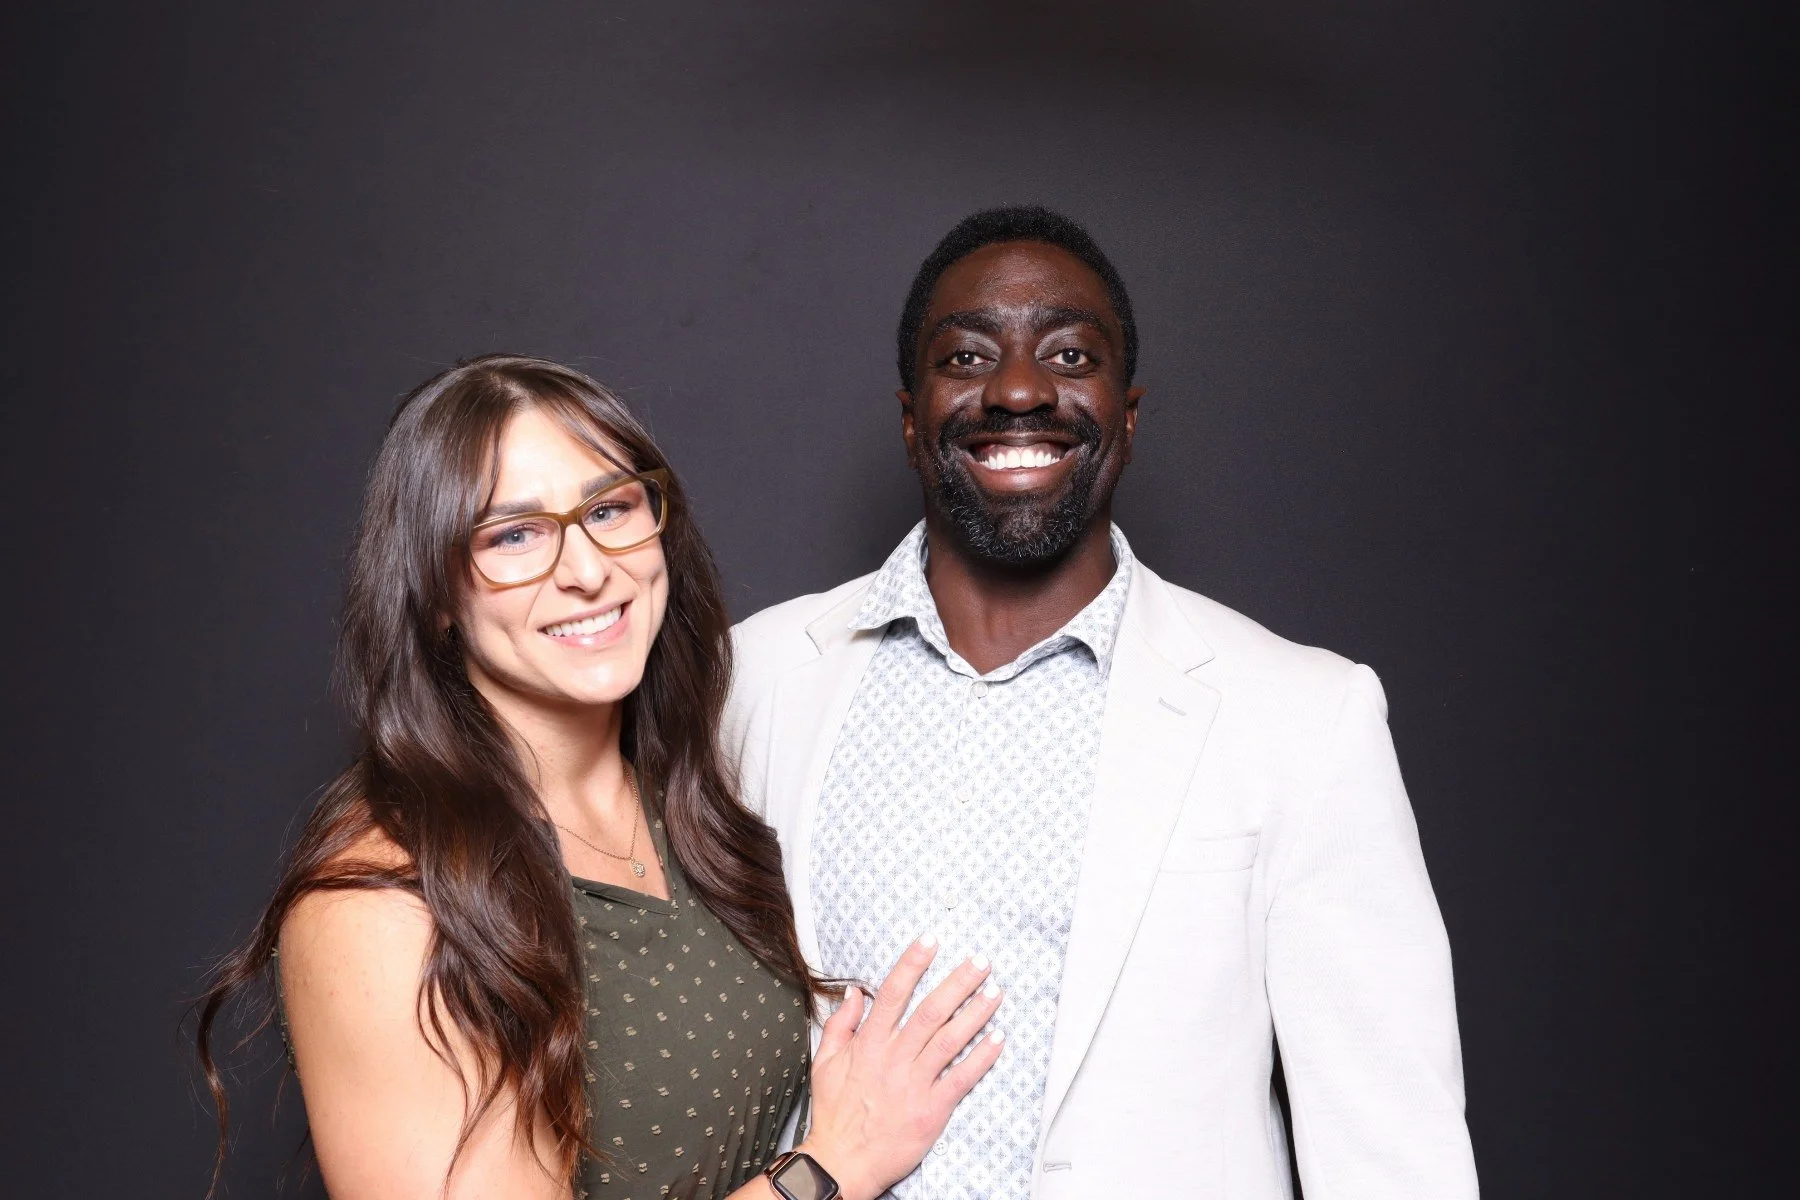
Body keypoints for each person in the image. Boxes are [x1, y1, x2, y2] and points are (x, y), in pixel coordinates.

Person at [724, 208, 1481, 1198]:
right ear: (912, 420)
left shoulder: (1303, 719)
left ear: (1127, 412)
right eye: (967, 357)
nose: (1021, 389)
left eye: (1069, 354)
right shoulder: (750, 680)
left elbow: (1393, 1150)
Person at [196, 355, 1006, 1200]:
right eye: (513, 535)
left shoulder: (687, 797)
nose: (587, 570)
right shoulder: (383, 899)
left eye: (609, 508)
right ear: (434, 592)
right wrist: (831, 1166)